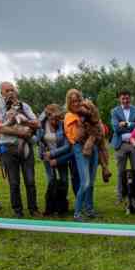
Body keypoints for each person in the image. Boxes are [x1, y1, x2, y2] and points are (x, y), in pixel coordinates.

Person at [0, 81, 40, 218]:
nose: (10, 93)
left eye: (12, 90)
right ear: (1, 94)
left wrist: (24, 123)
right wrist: (22, 132)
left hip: (25, 145)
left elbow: (37, 123)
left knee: (30, 180)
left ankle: (33, 209)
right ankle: (18, 211)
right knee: (14, 182)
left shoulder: (24, 106)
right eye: (7, 91)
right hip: (8, 148)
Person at [64, 89, 99, 221]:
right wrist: (85, 121)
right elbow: (77, 137)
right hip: (80, 148)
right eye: (73, 101)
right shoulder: (69, 116)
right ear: (69, 102)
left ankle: (89, 210)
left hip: (93, 146)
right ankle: (77, 213)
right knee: (85, 182)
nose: (76, 103)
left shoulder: (86, 112)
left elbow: (97, 126)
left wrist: (91, 121)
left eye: (78, 100)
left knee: (91, 183)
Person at [35, 104, 77, 205]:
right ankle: (52, 203)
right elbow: (39, 141)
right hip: (47, 157)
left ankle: (62, 203)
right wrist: (45, 155)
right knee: (51, 180)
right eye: (53, 119)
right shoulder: (41, 125)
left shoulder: (63, 125)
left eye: (58, 119)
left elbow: (67, 146)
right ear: (48, 116)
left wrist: (52, 154)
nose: (55, 121)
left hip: (62, 156)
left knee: (64, 180)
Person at [110, 90, 135, 204]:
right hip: (120, 145)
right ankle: (120, 196)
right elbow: (116, 128)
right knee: (120, 172)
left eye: (127, 98)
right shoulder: (114, 111)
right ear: (119, 99)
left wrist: (125, 123)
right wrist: (132, 125)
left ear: (130, 98)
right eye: (123, 98)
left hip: (134, 144)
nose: (125, 100)